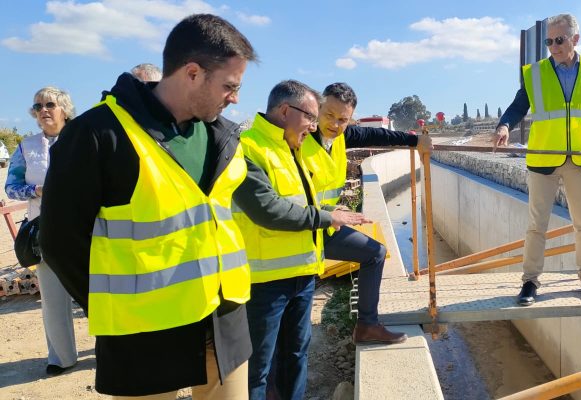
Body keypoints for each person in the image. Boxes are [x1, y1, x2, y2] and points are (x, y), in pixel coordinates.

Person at [39, 14, 258, 398]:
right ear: (192, 73)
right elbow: (60, 241)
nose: (235, 98)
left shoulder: (223, 136)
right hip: (143, 334)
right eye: (229, 86)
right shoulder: (98, 134)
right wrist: (115, 308)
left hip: (225, 323)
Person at [232, 80, 371, 400]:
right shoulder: (248, 147)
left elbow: (302, 201)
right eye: (311, 115)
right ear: (284, 110)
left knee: (296, 355)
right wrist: (328, 217)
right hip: (263, 280)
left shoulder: (294, 145)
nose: (315, 124)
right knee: (258, 368)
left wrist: (327, 209)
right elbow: (267, 210)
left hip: (304, 273)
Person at [301, 82, 432, 344]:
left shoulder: (341, 137)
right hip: (297, 231)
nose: (335, 124)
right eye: (329, 115)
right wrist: (328, 212)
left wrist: (415, 140)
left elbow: (378, 135)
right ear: (317, 107)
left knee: (375, 253)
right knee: (295, 326)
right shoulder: (298, 139)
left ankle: (367, 326)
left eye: (343, 120)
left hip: (324, 229)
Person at [493, 13, 581, 306]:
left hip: (580, 159)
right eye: (549, 41)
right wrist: (504, 126)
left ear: (575, 39)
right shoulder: (537, 72)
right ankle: (530, 283)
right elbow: (519, 105)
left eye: (560, 40)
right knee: (536, 225)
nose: (554, 46)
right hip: (544, 158)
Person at [5, 86, 78, 376]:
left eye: (49, 104)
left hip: (87, 227)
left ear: (64, 108)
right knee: (52, 295)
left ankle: (109, 351)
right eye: (38, 106)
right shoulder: (26, 147)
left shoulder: (83, 137)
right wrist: (35, 190)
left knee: (98, 292)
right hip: (44, 228)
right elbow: (10, 186)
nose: (43, 110)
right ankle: (60, 357)